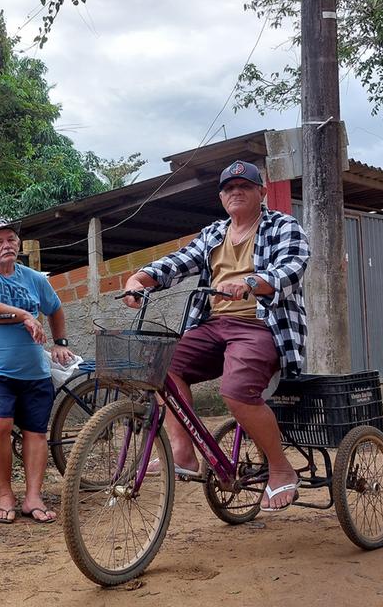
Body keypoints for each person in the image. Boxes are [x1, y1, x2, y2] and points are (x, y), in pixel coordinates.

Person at [121, 160, 309, 512]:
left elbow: (292, 268)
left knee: (236, 392)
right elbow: (177, 262)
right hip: (214, 324)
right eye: (228, 188)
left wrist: (251, 282)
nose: (235, 192)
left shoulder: (283, 225)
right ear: (221, 197)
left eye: (245, 186)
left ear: (261, 192)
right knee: (161, 366)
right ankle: (184, 452)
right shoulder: (213, 233)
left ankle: (281, 469)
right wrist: (139, 280)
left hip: (261, 325)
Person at [0, 217, 76, 524]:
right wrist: (25, 314)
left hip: (34, 371)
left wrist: (60, 342)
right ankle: (4, 495)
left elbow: (55, 308)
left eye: (11, 239)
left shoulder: (34, 278)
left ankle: (33, 497)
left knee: (35, 433)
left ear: (19, 244)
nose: (6, 245)